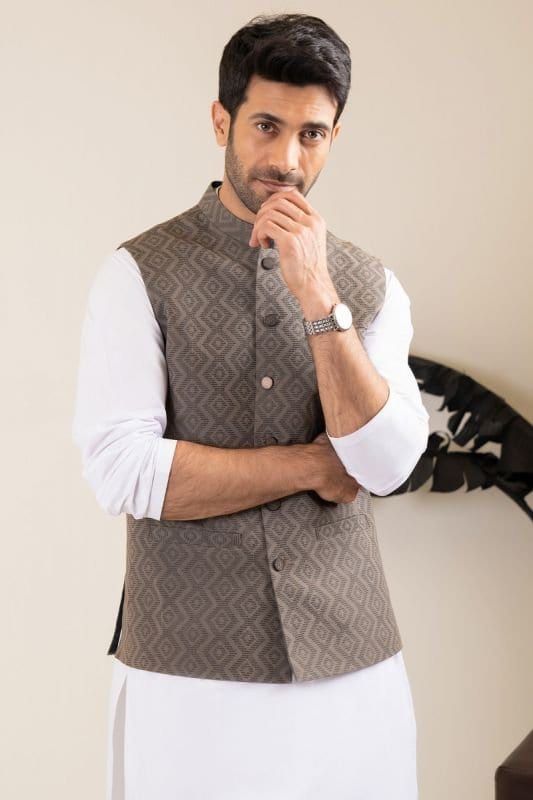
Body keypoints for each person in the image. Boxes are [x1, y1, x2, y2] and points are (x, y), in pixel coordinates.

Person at [72, 12, 429, 800]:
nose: (286, 159)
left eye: (311, 134)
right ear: (221, 121)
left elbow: (385, 465)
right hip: (186, 674)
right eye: (266, 126)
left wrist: (318, 294)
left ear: (334, 138)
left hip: (351, 670)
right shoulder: (139, 273)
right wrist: (309, 465)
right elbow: (123, 470)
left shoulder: (369, 285)